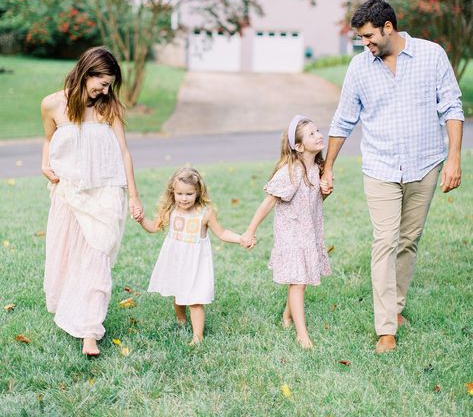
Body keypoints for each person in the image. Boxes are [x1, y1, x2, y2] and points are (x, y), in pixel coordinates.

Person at [322, 0, 463, 353]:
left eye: (369, 36)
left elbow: (451, 107)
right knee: (385, 241)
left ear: (388, 28)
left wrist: (454, 159)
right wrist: (328, 167)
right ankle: (386, 328)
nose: (365, 43)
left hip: (426, 163)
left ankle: (395, 307)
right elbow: (343, 120)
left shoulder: (432, 56)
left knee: (408, 241)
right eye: (361, 38)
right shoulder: (359, 67)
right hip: (381, 167)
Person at [41, 46, 143, 357]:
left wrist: (134, 194)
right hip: (70, 192)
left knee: (97, 260)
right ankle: (72, 310)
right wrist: (45, 165)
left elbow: (124, 151)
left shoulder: (109, 108)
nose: (104, 90)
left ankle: (89, 332)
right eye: (100, 83)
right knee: (68, 256)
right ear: (85, 73)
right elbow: (48, 140)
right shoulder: (52, 104)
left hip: (106, 192)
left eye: (109, 85)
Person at [240, 116, 331, 349]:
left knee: (301, 279)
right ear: (299, 147)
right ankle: (302, 335)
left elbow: (316, 199)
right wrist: (250, 231)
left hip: (309, 233)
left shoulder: (317, 169)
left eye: (318, 131)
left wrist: (326, 190)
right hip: (291, 235)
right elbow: (267, 203)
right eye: (312, 134)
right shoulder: (291, 172)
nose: (319, 135)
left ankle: (288, 315)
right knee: (298, 282)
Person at [137, 166, 252, 344]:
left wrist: (241, 239)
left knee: (195, 300)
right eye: (180, 194)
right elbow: (153, 227)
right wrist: (141, 220)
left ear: (198, 192)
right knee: (178, 292)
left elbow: (221, 233)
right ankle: (181, 319)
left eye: (189, 194)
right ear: (173, 192)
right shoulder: (171, 210)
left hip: (195, 264)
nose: (184, 198)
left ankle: (197, 337)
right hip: (176, 261)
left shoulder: (205, 214)